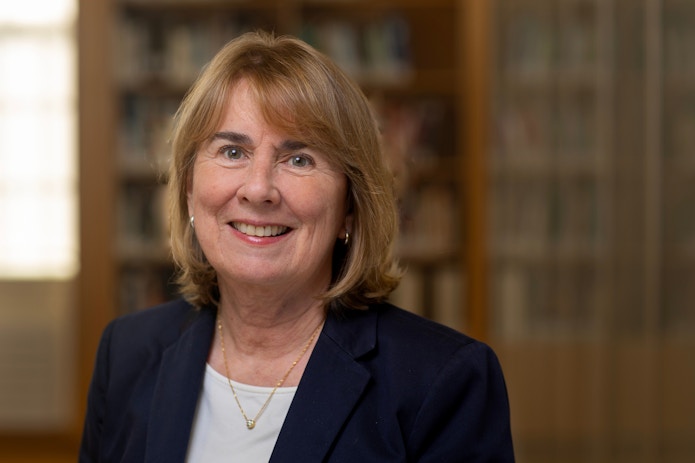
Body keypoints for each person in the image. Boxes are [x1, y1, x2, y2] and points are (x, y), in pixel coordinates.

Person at [79, 31, 514, 462]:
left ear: (349, 206)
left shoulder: (444, 382)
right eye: (232, 151)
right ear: (190, 189)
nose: (258, 189)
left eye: (299, 159)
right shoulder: (127, 352)